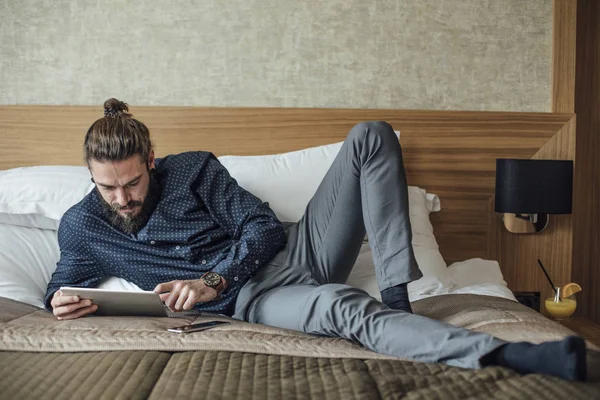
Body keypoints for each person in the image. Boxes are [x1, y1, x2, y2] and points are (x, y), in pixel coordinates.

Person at [45, 98, 587, 382]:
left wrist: (210, 280)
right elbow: (62, 284)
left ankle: (398, 295)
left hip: (296, 249)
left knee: (372, 133)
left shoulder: (193, 170)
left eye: (132, 182)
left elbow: (258, 226)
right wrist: (61, 299)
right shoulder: (82, 225)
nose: (121, 197)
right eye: (107, 186)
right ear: (91, 176)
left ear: (151, 162)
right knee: (339, 305)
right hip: (258, 299)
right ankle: (505, 355)